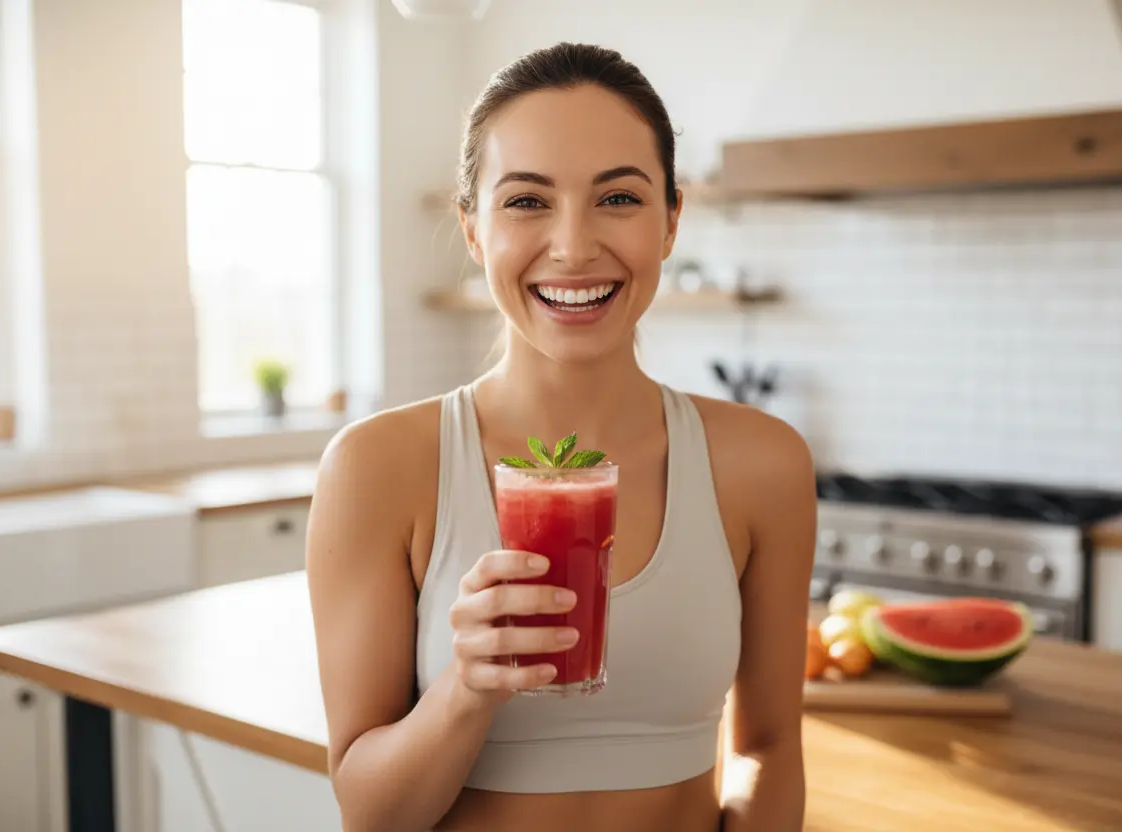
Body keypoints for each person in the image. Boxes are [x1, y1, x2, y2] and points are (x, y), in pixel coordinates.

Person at [306, 41, 817, 832]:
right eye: (526, 201)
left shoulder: (763, 464)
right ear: (472, 230)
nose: (574, 247)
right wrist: (465, 689)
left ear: (671, 221)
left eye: (618, 197)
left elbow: (770, 749)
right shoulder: (377, 467)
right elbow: (370, 814)